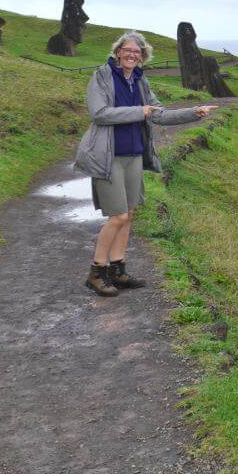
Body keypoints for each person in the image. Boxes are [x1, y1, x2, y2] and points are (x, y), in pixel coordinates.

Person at [74, 31, 218, 296]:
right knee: (117, 216)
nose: (132, 55)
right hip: (108, 155)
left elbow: (158, 114)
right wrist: (138, 112)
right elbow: (99, 113)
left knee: (128, 215)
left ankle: (118, 269)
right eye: (128, 50)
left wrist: (193, 113)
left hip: (134, 154)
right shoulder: (102, 76)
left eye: (137, 52)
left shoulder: (140, 81)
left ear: (142, 57)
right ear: (118, 52)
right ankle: (96, 272)